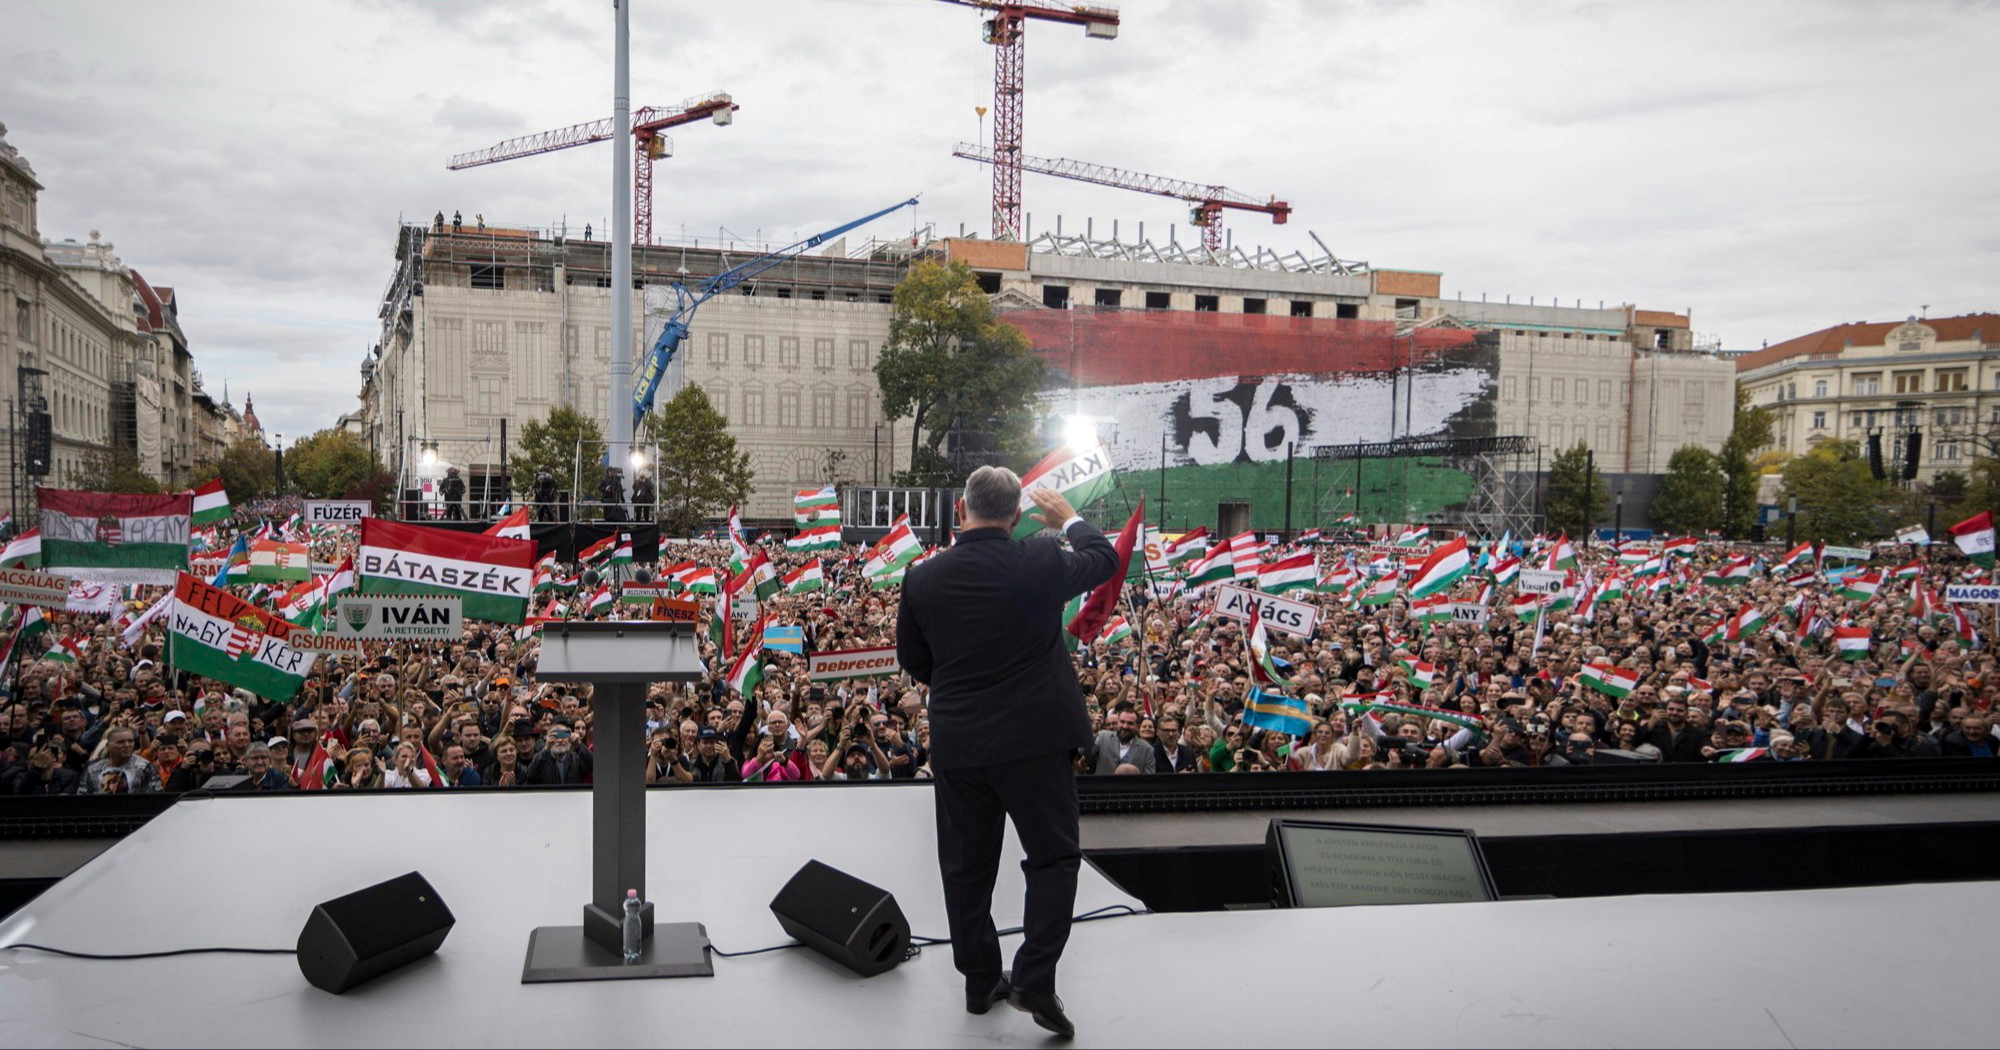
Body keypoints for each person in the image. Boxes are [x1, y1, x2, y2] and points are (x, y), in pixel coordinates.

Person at [896, 468, 1116, 1039]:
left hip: (961, 744)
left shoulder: (921, 579)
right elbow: (1103, 560)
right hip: (1038, 743)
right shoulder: (1040, 559)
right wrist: (1068, 517)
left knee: (966, 869)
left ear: (959, 513)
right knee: (1053, 859)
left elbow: (917, 662)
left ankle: (979, 983)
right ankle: (1034, 978)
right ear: (1018, 517)